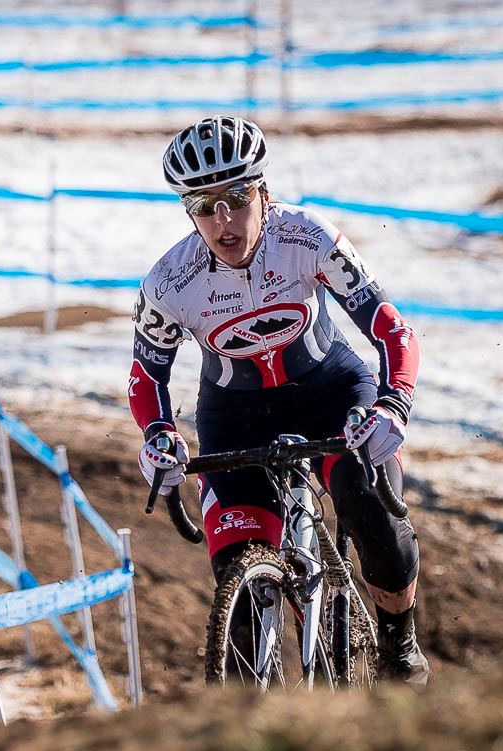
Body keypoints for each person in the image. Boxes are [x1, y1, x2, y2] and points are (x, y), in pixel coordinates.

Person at [129, 115, 429, 686]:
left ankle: (399, 648)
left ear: (264, 193)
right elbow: (146, 377)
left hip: (331, 392)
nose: (222, 220)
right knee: (235, 587)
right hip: (234, 417)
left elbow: (393, 331)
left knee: (366, 504)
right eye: (203, 204)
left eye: (237, 197)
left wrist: (394, 405)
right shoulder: (170, 281)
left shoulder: (308, 237)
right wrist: (158, 437)